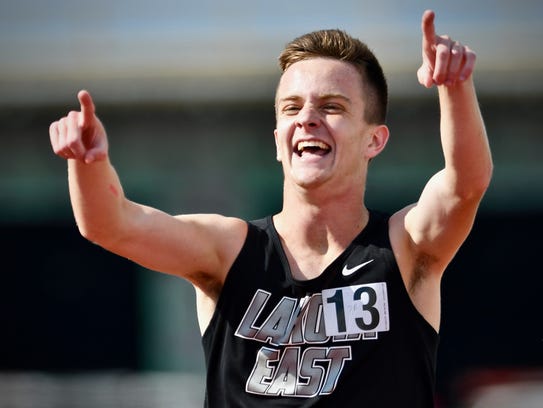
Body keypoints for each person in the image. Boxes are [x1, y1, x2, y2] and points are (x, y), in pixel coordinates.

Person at [49, 9, 492, 407]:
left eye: (332, 106)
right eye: (292, 107)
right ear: (278, 139)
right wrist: (89, 164)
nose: (307, 118)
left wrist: (455, 88)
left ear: (374, 139)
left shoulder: (403, 246)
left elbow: (464, 186)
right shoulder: (228, 250)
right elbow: (112, 226)